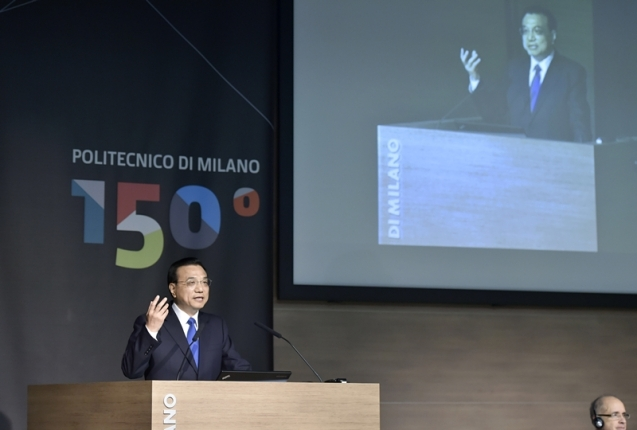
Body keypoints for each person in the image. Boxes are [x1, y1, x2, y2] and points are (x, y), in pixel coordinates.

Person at [460, 6, 592, 143]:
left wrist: (582, 154)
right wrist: (475, 78)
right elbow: (496, 116)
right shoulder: (513, 69)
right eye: (525, 31)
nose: (530, 38)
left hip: (554, 154)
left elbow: (580, 127)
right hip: (516, 153)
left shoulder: (571, 72)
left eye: (538, 31)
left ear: (552, 35)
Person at [121, 257, 251, 380]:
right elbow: (131, 371)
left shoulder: (216, 325)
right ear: (173, 289)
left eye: (205, 282)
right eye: (191, 282)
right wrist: (151, 330)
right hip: (167, 397)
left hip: (208, 397)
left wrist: (261, 381)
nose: (200, 289)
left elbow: (237, 368)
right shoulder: (151, 322)